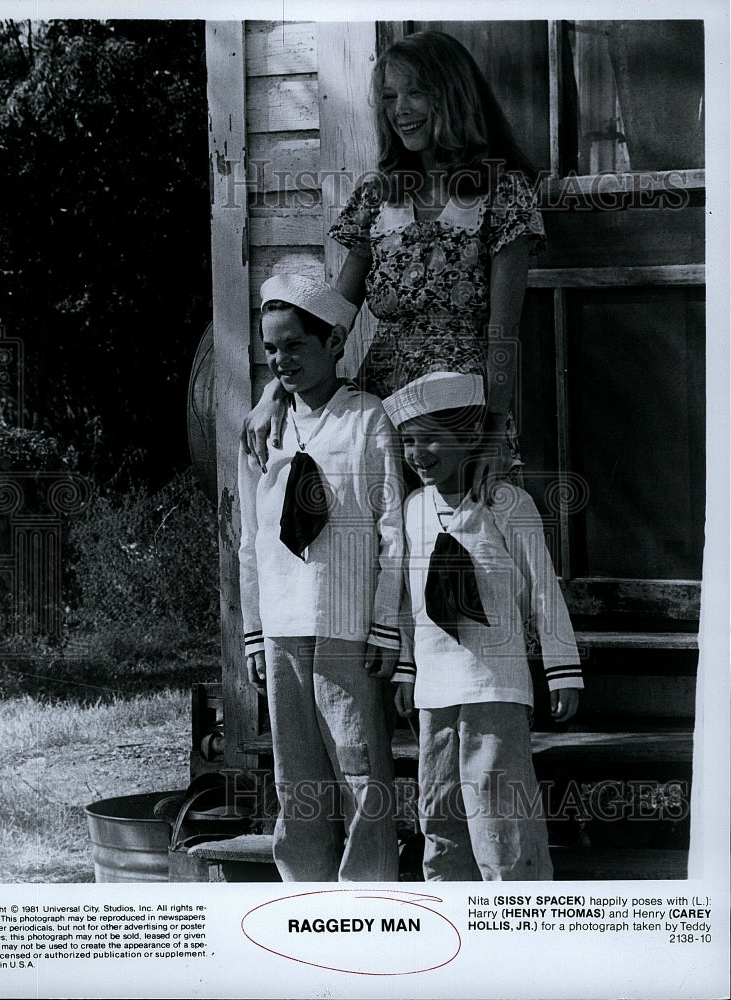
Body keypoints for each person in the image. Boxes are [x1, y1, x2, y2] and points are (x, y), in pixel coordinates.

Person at [243, 30, 545, 501]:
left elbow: (503, 330)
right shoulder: (378, 195)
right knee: (377, 547)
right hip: (379, 408)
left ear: (451, 95)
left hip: (455, 416)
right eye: (388, 97)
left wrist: (492, 434)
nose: (400, 109)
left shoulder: (502, 193)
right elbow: (334, 315)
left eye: (416, 92)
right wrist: (275, 390)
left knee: (458, 553)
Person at [237, 274, 405, 882]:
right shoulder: (261, 428)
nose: (281, 360)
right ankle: (302, 887)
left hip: (347, 620)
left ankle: (369, 889)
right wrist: (255, 632)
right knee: (296, 771)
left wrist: (386, 625)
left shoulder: (366, 419)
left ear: (334, 343)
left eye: (294, 346)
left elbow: (393, 529)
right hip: (282, 624)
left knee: (360, 764)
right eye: (271, 348)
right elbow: (251, 538)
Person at [383, 371, 583, 881]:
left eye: (430, 438)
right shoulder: (413, 509)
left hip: (496, 685)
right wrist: (406, 669)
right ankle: (452, 921)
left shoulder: (507, 505)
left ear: (470, 437)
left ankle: (518, 920)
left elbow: (542, 587)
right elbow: (410, 600)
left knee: (501, 818)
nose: (417, 452)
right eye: (408, 440)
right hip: (435, 693)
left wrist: (562, 668)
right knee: (440, 813)